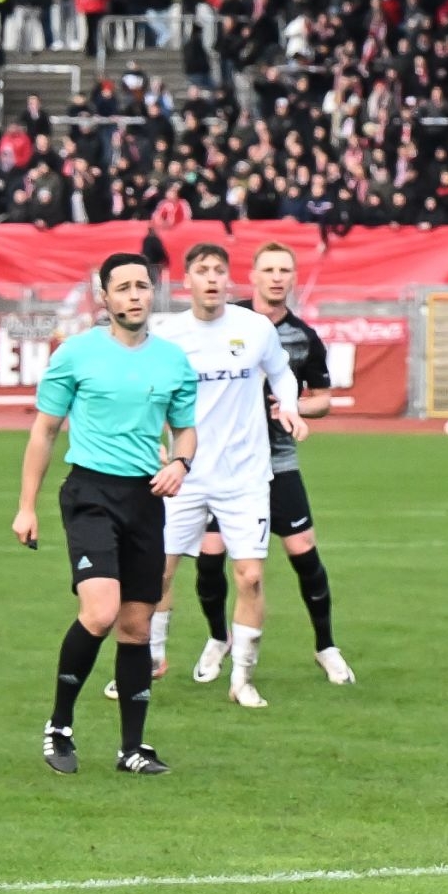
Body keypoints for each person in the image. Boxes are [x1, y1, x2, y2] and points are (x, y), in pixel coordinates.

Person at [15, 252, 199, 776]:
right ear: (105, 296)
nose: (135, 295)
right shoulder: (75, 354)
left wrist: (182, 461)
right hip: (90, 493)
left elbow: (185, 428)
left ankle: (132, 750)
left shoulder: (171, 360)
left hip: (146, 498)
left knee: (137, 627)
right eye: (124, 287)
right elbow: (44, 431)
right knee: (99, 612)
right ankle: (59, 727)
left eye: (143, 286)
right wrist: (26, 506)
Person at [147, 243, 308, 708]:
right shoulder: (168, 335)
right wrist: (152, 439)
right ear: (188, 280)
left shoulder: (254, 329)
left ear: (229, 279)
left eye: (220, 270)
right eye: (203, 271)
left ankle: (242, 678)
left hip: (245, 476)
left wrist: (290, 408)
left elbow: (281, 375)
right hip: (186, 472)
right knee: (158, 572)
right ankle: (151, 661)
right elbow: (150, 391)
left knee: (250, 577)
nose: (213, 278)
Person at [184, 243, 352, 688]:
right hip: (221, 463)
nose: (277, 277)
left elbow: (323, 400)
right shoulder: (227, 321)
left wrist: (294, 407)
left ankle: (326, 646)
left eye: (285, 270)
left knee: (303, 551)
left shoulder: (302, 337)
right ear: (253, 277)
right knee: (210, 556)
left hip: (277, 459)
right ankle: (217, 638)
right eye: (268, 270)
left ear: (293, 278)